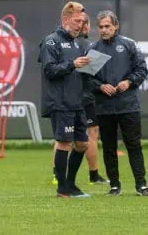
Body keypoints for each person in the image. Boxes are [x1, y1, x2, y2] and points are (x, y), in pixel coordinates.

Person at [88, 10, 148, 196]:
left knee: (133, 145)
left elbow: (142, 70)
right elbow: (86, 79)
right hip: (104, 107)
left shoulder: (128, 45)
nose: (104, 30)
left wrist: (128, 81)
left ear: (116, 26)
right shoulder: (94, 50)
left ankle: (141, 185)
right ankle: (114, 185)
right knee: (109, 148)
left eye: (108, 26)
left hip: (128, 105)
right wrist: (100, 87)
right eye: (101, 27)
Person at [38, 2, 91, 198]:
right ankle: (62, 188)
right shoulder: (51, 42)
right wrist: (72, 64)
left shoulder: (78, 43)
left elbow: (77, 70)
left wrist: (88, 68)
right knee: (64, 143)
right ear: (66, 19)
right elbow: (49, 70)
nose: (80, 25)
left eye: (83, 21)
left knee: (83, 144)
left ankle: (71, 184)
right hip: (60, 103)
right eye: (77, 20)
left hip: (77, 102)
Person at [51, 13, 109, 186]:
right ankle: (62, 176)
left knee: (85, 137)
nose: (84, 26)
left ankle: (90, 174)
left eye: (85, 23)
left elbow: (91, 74)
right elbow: (54, 69)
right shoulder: (67, 44)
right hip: (73, 98)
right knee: (64, 139)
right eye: (81, 23)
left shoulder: (89, 45)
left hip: (86, 96)